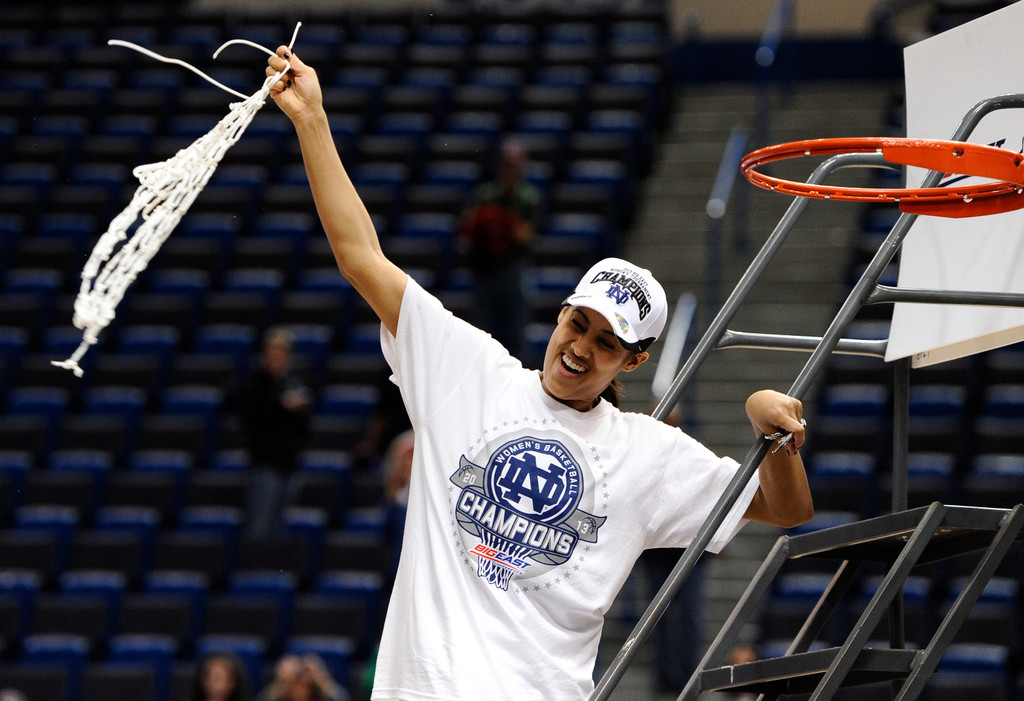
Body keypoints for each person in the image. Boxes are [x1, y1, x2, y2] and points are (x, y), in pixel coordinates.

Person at [266, 48, 813, 701]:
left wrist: (769, 429)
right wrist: (312, 120)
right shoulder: (468, 369)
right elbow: (361, 258)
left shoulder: (647, 450)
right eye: (577, 324)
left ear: (633, 362)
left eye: (607, 342)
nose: (581, 347)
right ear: (560, 314)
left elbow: (787, 507)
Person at [457, 137, 544, 361]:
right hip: (485, 270)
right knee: (482, 330)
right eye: (506, 163)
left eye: (513, 164)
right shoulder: (484, 194)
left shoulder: (528, 197)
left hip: (513, 269)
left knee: (516, 329)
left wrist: (501, 224)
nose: (509, 169)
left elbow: (526, 234)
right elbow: (468, 230)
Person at [234, 325, 314, 536]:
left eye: (281, 354)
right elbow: (251, 419)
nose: (277, 358)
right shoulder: (254, 385)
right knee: (261, 522)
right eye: (273, 353)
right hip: (265, 462)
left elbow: (304, 425)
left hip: (289, 462)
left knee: (282, 525)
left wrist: (298, 410)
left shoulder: (293, 383)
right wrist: (282, 407)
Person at [257, 654, 349, 701]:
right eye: (294, 682)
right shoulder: (278, 696)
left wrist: (323, 682)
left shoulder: (322, 696)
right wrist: (280, 683)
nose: (299, 691)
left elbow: (342, 698)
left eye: (304, 684)